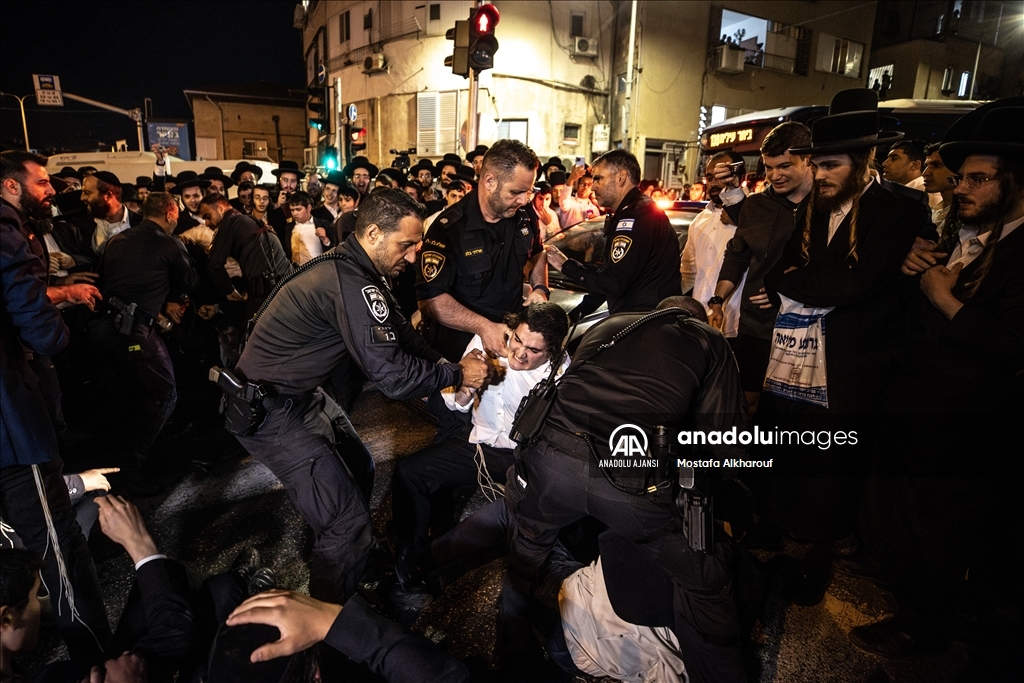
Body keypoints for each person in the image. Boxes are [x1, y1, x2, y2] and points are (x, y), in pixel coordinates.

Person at [232, 188, 490, 605]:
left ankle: (354, 561)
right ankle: (327, 627)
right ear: (373, 233)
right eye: (405, 245)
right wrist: (458, 373)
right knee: (345, 523)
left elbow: (405, 336)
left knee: (359, 466)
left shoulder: (360, 270)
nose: (411, 257)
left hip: (297, 397)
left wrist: (448, 364)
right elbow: (392, 378)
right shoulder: (350, 280)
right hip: (272, 411)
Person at [850, 99, 1024, 658]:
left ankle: (925, 628)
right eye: (961, 176)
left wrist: (946, 300)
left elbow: (1011, 345)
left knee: (941, 537)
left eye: (977, 178)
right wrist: (913, 278)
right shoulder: (969, 240)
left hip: (967, 432)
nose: (958, 187)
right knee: (909, 529)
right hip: (919, 420)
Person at [501, 302, 749, 683]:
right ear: (695, 319)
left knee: (526, 550)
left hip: (550, 459)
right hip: (629, 479)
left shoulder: (609, 324)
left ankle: (512, 654)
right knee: (706, 579)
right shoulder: (710, 341)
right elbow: (728, 444)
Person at [758, 88, 931, 606]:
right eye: (818, 164)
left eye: (831, 165)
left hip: (854, 364)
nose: (822, 174)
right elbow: (779, 270)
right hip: (795, 358)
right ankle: (774, 525)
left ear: (863, 162)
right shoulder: (816, 205)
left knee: (831, 465)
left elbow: (859, 284)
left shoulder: (900, 209)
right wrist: (814, 281)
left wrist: (802, 284)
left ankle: (820, 545)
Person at [1, 150, 111, 663]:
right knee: (56, 542)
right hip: (10, 426)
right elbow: (33, 319)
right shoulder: (5, 227)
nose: (51, 191)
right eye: (41, 183)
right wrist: (49, 337)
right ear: (9, 188)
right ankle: (95, 657)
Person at [390, 302, 570, 589]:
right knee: (411, 473)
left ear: (554, 351)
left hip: (521, 455)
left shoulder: (561, 377)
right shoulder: (489, 342)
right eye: (518, 340)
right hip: (478, 439)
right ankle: (409, 557)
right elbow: (456, 405)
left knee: (537, 518)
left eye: (534, 351)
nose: (520, 354)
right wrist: (468, 384)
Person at [88, 192, 199, 488]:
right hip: (134, 331)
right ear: (172, 213)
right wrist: (175, 300)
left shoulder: (117, 240)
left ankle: (119, 457)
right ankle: (131, 465)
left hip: (101, 329)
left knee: (132, 393)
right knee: (164, 392)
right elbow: (188, 281)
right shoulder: (168, 243)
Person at [708, 122, 814, 413]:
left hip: (807, 330)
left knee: (793, 410)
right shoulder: (755, 207)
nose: (774, 176)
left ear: (808, 160)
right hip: (756, 328)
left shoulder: (827, 205)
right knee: (746, 401)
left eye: (784, 166)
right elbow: (737, 257)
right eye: (768, 168)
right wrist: (718, 300)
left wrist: (784, 288)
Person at [416, 139, 549, 362]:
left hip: (510, 341)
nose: (524, 199)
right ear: (489, 181)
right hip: (460, 350)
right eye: (516, 191)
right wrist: (483, 327)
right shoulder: (448, 228)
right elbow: (430, 301)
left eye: (529, 191)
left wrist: (540, 287)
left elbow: (538, 251)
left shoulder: (525, 216)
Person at [545, 149, 682, 320]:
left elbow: (613, 282)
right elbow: (610, 275)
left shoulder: (637, 216)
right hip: (640, 321)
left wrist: (566, 265)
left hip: (645, 324)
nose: (593, 186)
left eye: (598, 178)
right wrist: (572, 317)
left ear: (621, 177)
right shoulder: (631, 212)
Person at [681, 152, 748, 340]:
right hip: (700, 323)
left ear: (737, 176)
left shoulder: (752, 215)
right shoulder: (699, 221)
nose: (713, 183)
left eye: (720, 177)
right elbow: (688, 274)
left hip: (737, 325)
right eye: (709, 177)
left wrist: (739, 218)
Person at [199, 192, 291, 319]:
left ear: (220, 208)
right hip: (284, 288)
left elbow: (214, 264)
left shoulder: (230, 222)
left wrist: (229, 292)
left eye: (207, 216)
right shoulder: (247, 220)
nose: (206, 223)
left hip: (267, 292)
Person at [84, 171, 143, 253]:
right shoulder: (82, 225)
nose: (82, 197)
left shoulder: (141, 224)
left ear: (108, 194)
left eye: (87, 193)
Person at [285, 191, 331, 266]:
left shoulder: (323, 224)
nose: (295, 213)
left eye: (298, 209)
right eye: (292, 210)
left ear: (309, 208)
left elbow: (333, 249)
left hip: (318, 269)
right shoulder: (289, 227)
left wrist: (326, 240)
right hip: (295, 271)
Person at [556, 164, 601, 228]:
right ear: (577, 185)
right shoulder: (570, 203)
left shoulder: (594, 209)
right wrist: (571, 178)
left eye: (589, 185)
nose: (585, 187)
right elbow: (564, 199)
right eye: (583, 184)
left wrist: (595, 223)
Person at [168, 170, 209, 235]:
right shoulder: (178, 224)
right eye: (187, 197)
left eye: (196, 196)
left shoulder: (214, 214)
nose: (192, 200)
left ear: (203, 195)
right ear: (182, 198)